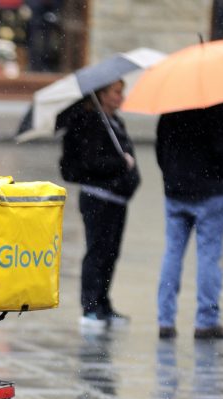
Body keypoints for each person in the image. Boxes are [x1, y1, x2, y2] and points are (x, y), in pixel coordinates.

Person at [59, 78, 141, 330]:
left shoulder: (114, 120)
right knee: (98, 251)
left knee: (111, 252)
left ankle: (104, 303)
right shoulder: (90, 122)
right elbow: (91, 162)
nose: (120, 97)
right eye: (116, 92)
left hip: (117, 198)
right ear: (102, 94)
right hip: (98, 198)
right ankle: (90, 306)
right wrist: (121, 163)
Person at [155, 104, 223, 340]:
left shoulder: (170, 109)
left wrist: (173, 176)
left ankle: (165, 319)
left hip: (176, 192)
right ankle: (206, 321)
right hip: (210, 192)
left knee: (172, 254)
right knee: (208, 257)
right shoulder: (215, 110)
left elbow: (161, 151)